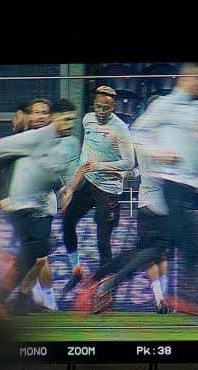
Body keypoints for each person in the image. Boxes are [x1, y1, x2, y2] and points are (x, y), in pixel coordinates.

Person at [90, 64, 198, 316]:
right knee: (181, 247)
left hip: (162, 199)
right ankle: (191, 299)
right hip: (159, 201)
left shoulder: (196, 111)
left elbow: (187, 168)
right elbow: (147, 152)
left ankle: (107, 283)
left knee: (150, 251)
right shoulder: (159, 125)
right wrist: (160, 154)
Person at [0, 99, 80, 318]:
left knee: (38, 254)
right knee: (33, 252)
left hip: (44, 204)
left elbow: (59, 173)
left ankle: (25, 299)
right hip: (18, 204)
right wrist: (1, 196)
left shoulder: (64, 144)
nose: (40, 116)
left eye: (44, 112)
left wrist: (67, 189)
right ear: (26, 116)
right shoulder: (22, 140)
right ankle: (16, 299)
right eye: (36, 113)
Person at [61, 86, 135, 294]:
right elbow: (86, 157)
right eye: (98, 107)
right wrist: (71, 187)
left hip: (109, 189)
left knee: (102, 240)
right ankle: (76, 269)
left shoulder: (120, 129)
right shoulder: (87, 119)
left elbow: (129, 163)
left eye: (107, 108)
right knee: (67, 221)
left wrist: (100, 166)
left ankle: (107, 292)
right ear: (93, 105)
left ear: (114, 107)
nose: (101, 111)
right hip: (88, 183)